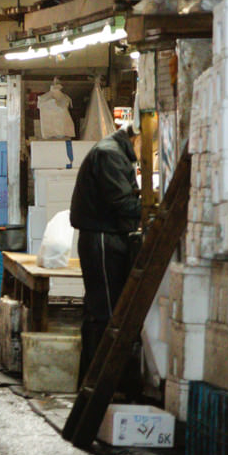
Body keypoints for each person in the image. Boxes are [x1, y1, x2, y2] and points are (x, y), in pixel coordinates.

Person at [67, 125, 143, 385]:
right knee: (106, 311)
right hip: (102, 238)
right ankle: (102, 382)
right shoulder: (109, 154)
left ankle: (92, 379)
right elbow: (122, 203)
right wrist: (154, 206)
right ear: (140, 135)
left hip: (104, 236)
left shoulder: (114, 151)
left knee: (100, 308)